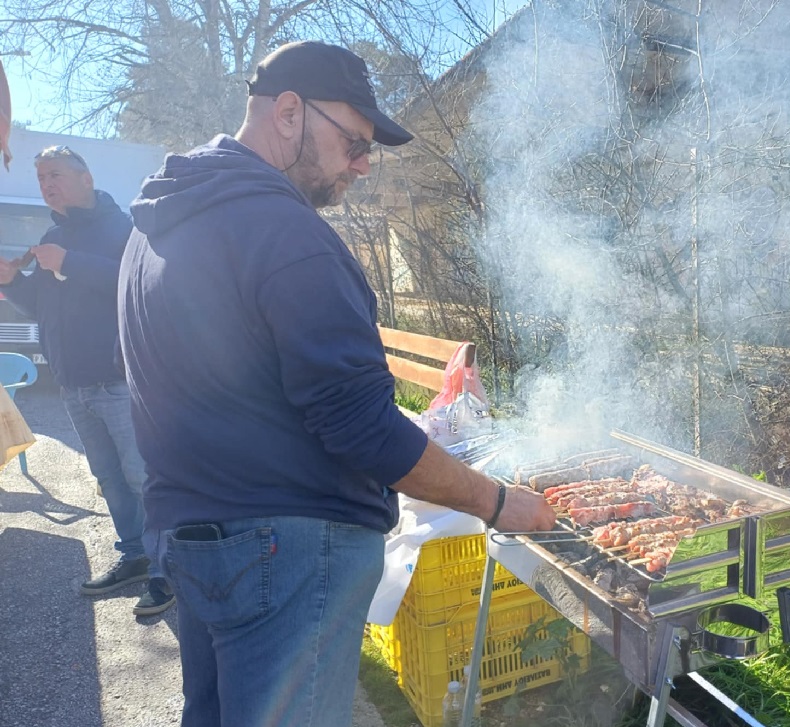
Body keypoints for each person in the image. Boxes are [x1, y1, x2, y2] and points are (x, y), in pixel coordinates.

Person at [117, 41, 556, 727]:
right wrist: (500, 503)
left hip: (193, 536)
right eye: (353, 141)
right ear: (289, 112)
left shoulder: (159, 222)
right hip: (284, 554)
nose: (363, 163)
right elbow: (362, 429)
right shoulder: (285, 232)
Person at [0, 145, 174, 616]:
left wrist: (68, 262)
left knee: (143, 479)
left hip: (120, 382)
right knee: (110, 480)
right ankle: (135, 557)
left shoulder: (125, 228)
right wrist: (11, 283)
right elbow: (39, 305)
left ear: (86, 177)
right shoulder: (54, 234)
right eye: (40, 177)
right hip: (73, 386)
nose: (46, 184)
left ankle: (167, 571)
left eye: (54, 174)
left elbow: (140, 285)